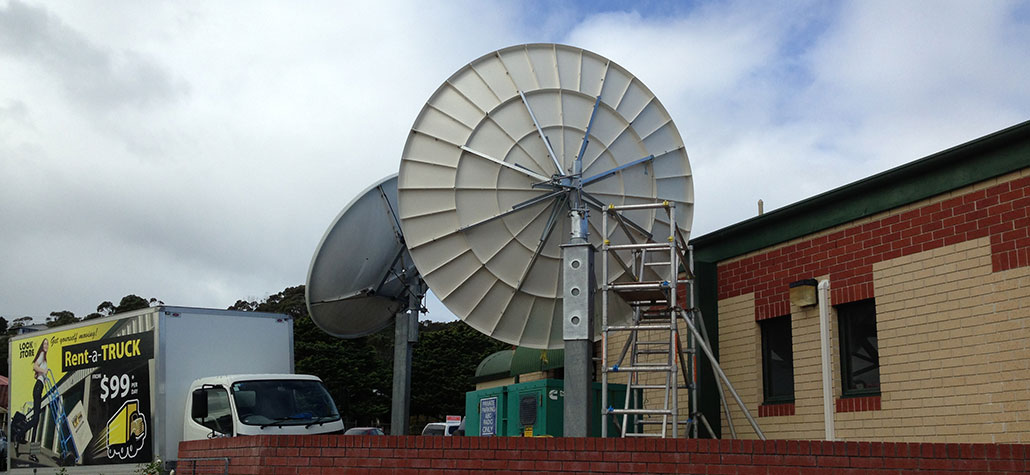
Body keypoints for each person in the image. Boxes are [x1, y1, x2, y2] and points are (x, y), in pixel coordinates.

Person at [29, 339, 49, 462]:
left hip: (39, 388)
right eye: (45, 343)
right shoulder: (42, 354)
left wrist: (41, 375)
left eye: (47, 344)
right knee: (36, 420)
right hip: (37, 388)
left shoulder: (44, 357)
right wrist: (44, 371)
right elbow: (35, 366)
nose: (46, 346)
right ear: (42, 345)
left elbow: (36, 373)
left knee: (36, 420)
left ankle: (33, 452)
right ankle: (19, 434)